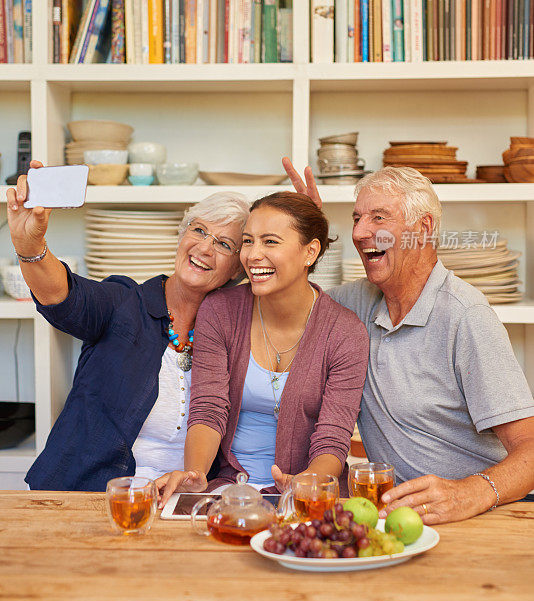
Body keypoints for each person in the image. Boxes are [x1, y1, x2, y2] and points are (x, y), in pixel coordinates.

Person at [283, 159, 534, 524]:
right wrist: (303, 231)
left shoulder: (466, 315)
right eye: (356, 219)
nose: (359, 232)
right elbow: (281, 299)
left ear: (423, 227)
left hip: (481, 515)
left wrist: (469, 492)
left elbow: (530, 449)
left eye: (378, 218)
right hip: (400, 518)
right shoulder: (351, 304)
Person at [7, 160, 250, 490]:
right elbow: (64, 296)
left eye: (224, 244)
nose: (204, 248)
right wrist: (29, 246)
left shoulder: (235, 329)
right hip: (92, 497)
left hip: (180, 500)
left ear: (238, 269)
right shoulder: (123, 304)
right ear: (182, 236)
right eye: (198, 230)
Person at [157, 192, 369, 506]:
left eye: (270, 242)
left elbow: (333, 438)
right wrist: (195, 472)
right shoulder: (221, 311)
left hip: (309, 494)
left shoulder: (346, 333)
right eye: (248, 241)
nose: (253, 255)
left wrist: (308, 481)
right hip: (231, 489)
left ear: (310, 252)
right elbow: (209, 408)